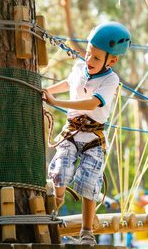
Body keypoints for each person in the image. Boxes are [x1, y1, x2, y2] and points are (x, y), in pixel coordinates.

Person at [42, 22, 131, 245]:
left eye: (96, 58)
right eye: (88, 54)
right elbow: (68, 82)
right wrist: (44, 91)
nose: (89, 61)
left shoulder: (111, 80)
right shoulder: (80, 67)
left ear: (112, 60)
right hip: (72, 132)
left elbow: (92, 103)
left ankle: (87, 230)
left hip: (94, 138)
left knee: (89, 186)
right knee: (60, 173)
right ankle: (56, 201)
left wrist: (55, 102)